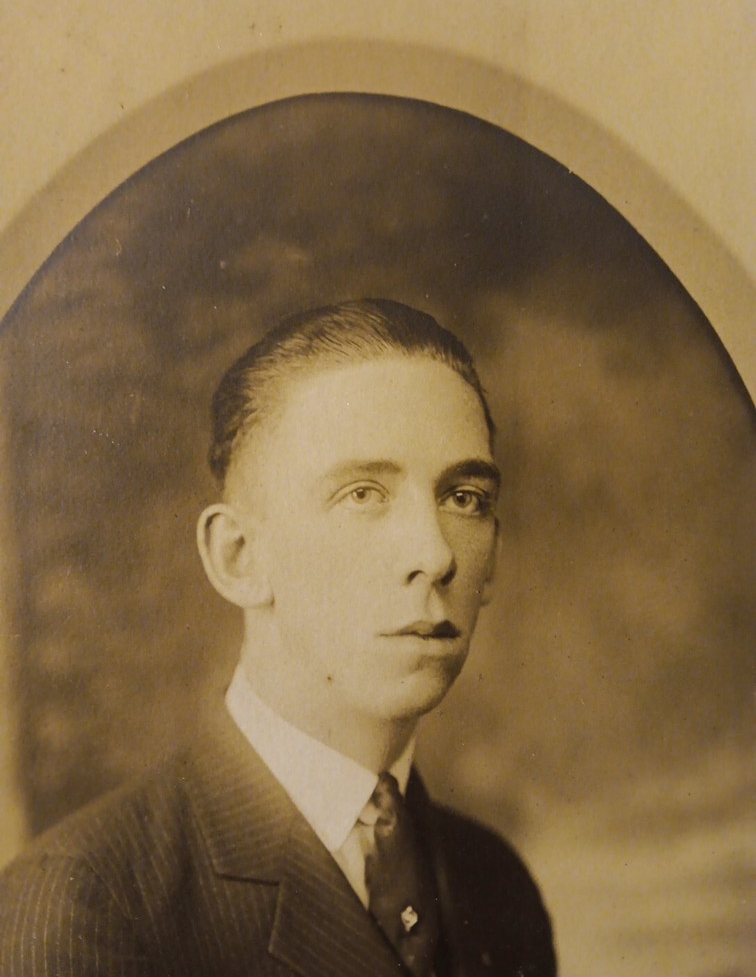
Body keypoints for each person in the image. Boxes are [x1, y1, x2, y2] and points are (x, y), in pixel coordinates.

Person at [0, 299, 556, 976]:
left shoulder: (495, 886)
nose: (436, 554)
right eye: (362, 494)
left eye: (464, 497)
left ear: (492, 560)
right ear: (238, 557)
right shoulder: (86, 903)